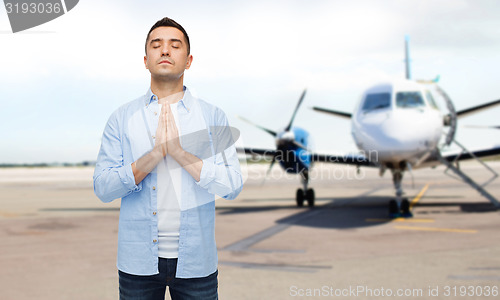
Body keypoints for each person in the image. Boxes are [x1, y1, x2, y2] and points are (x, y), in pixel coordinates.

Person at [93, 17, 243, 300]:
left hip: (196, 263)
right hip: (137, 263)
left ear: (188, 60)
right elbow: (102, 188)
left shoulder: (213, 117)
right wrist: (153, 156)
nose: (165, 51)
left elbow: (233, 185)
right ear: (145, 59)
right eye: (156, 45)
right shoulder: (121, 118)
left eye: (175, 46)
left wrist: (180, 154)